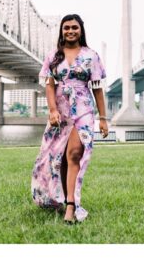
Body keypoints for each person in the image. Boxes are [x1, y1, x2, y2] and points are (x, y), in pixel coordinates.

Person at [31, 14, 108, 222]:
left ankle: (72, 206)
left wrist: (103, 118)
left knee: (74, 153)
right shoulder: (53, 55)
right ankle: (64, 198)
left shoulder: (91, 56)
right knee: (59, 158)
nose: (70, 31)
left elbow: (97, 88)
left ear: (81, 30)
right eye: (66, 28)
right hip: (61, 112)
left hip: (83, 110)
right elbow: (50, 85)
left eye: (74, 27)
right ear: (62, 31)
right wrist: (52, 110)